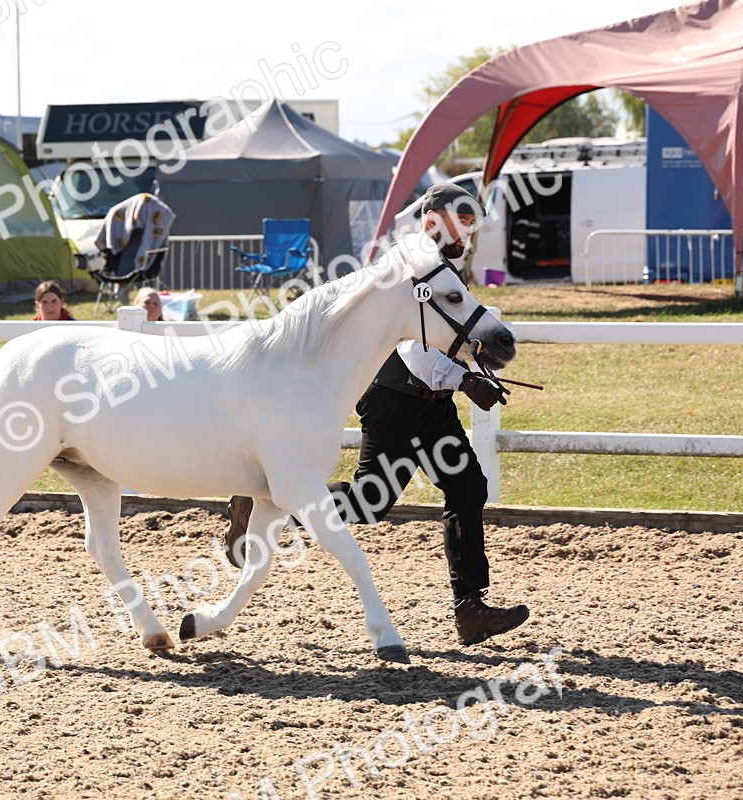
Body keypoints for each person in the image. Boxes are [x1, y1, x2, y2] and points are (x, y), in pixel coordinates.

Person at [223, 182, 529, 647]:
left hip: (432, 400)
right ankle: (268, 499)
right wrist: (465, 380)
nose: (469, 230)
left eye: (472, 222)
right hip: (396, 398)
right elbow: (410, 348)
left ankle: (469, 608)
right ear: (434, 218)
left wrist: (473, 368)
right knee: (371, 500)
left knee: (468, 487)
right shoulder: (409, 267)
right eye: (462, 219)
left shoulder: (445, 265)